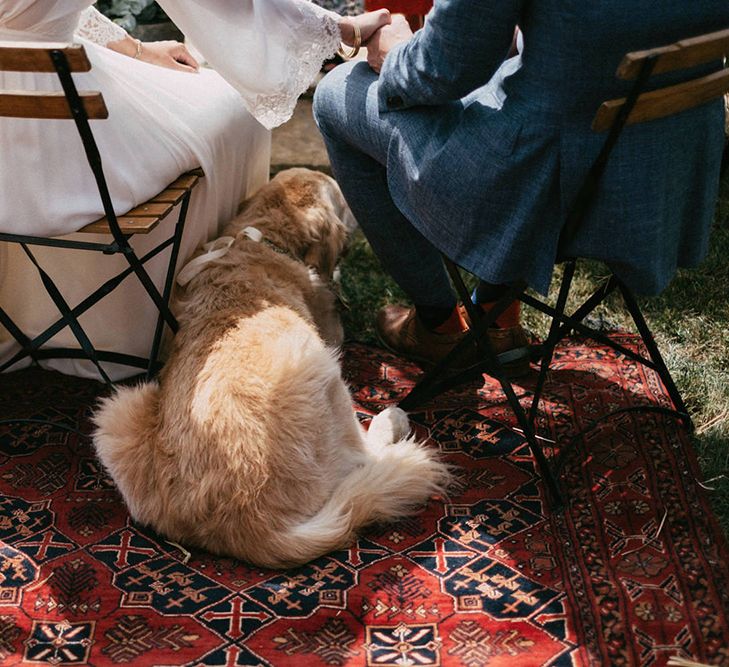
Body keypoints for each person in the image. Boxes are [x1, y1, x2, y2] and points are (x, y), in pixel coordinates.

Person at [313, 1, 729, 373]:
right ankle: (496, 314)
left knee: (336, 93)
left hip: (541, 181)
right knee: (525, 80)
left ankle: (438, 325)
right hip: (655, 172)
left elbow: (447, 66)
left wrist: (394, 53)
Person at [0, 0, 390, 380]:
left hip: (10, 173)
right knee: (238, 109)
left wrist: (136, 49)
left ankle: (25, 317)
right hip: (70, 164)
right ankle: (184, 314)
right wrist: (337, 29)